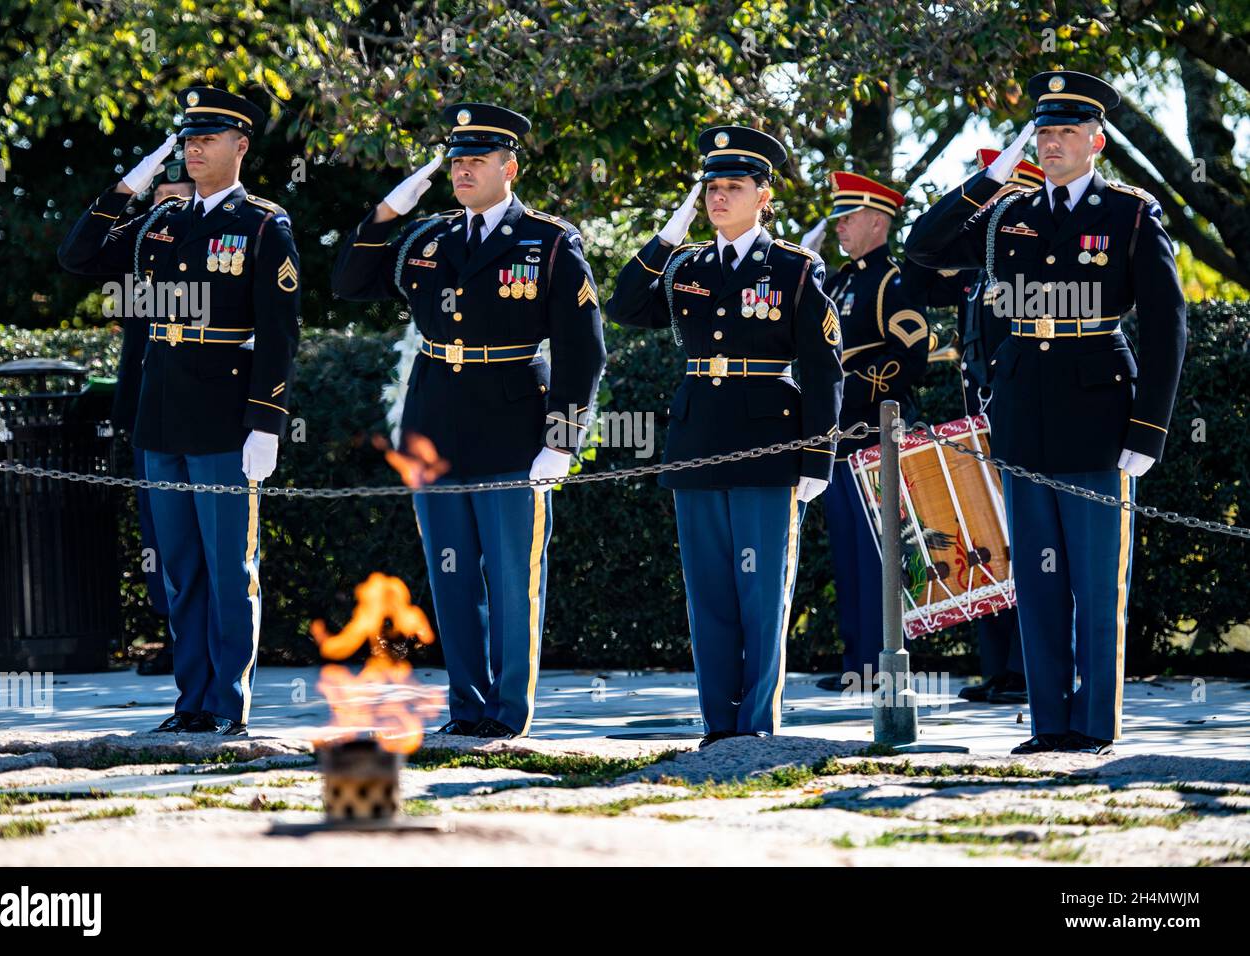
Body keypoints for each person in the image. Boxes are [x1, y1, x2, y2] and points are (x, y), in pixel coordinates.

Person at [904, 71, 1187, 754]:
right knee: (1039, 577)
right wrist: (988, 178)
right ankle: (1049, 723)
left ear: (1096, 141)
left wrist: (1149, 428)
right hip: (1026, 412)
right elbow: (924, 247)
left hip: (1099, 414)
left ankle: (1093, 727)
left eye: (1066, 130)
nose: (1052, 141)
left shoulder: (1129, 213)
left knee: (1094, 582)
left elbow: (1168, 322)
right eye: (1042, 131)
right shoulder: (1011, 213)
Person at [332, 103, 606, 740]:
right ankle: (467, 708)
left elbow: (582, 348)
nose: (462, 171)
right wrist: (386, 214)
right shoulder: (428, 239)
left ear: (509, 167)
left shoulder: (550, 240)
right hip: (438, 428)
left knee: (513, 581)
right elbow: (348, 282)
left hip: (513, 426)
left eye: (476, 161)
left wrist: (561, 438)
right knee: (452, 578)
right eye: (456, 161)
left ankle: (509, 714)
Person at [59, 87, 301, 736]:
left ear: (240, 147)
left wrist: (267, 423)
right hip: (160, 414)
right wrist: (134, 182)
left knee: (229, 569)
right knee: (178, 570)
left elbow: (280, 334)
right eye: (187, 139)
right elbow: (78, 256)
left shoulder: (262, 224)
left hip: (224, 416)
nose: (194, 149)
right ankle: (191, 703)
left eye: (208, 139)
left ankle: (228, 707)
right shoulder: (162, 222)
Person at [605, 126, 842, 748]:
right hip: (698, 437)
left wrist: (819, 455)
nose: (718, 198)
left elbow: (823, 370)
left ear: (764, 196)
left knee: (762, 592)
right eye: (711, 188)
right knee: (709, 592)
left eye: (733, 187)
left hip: (770, 442)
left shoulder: (795, 268)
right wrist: (669, 232)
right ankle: (718, 725)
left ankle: (756, 724)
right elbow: (625, 305)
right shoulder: (688, 266)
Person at [925, 148, 1044, 706]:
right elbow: (925, 253)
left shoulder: (1031, 260)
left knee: (1027, 545)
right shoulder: (978, 271)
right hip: (980, 425)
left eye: (992, 196)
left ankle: (1026, 667)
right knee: (985, 543)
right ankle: (997, 665)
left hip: (1020, 419)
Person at [810, 172, 930, 691]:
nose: (840, 226)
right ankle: (857, 663)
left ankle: (886, 664)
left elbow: (909, 357)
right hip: (839, 436)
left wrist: (843, 390)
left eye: (849, 216)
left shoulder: (892, 282)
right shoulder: (836, 282)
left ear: (878, 221)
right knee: (849, 552)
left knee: (880, 553)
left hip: (876, 435)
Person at [126, 158, 195, 676]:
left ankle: (201, 638)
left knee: (206, 536)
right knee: (158, 532)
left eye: (176, 199)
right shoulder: (142, 252)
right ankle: (171, 630)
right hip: (147, 414)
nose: (165, 209)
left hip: (204, 417)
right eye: (158, 200)